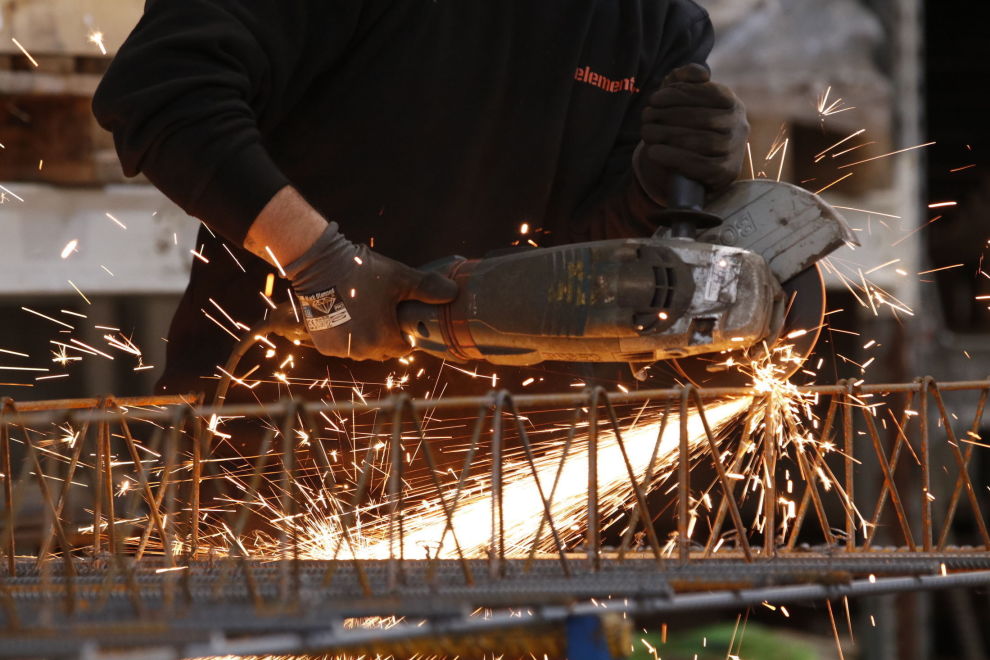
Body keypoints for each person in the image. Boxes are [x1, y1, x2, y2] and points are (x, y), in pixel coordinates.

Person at [93, 0, 748, 403]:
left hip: (516, 479)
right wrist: (317, 262)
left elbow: (585, 264)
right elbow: (163, 91)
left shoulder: (656, 20)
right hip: (274, 451)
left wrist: (656, 185)